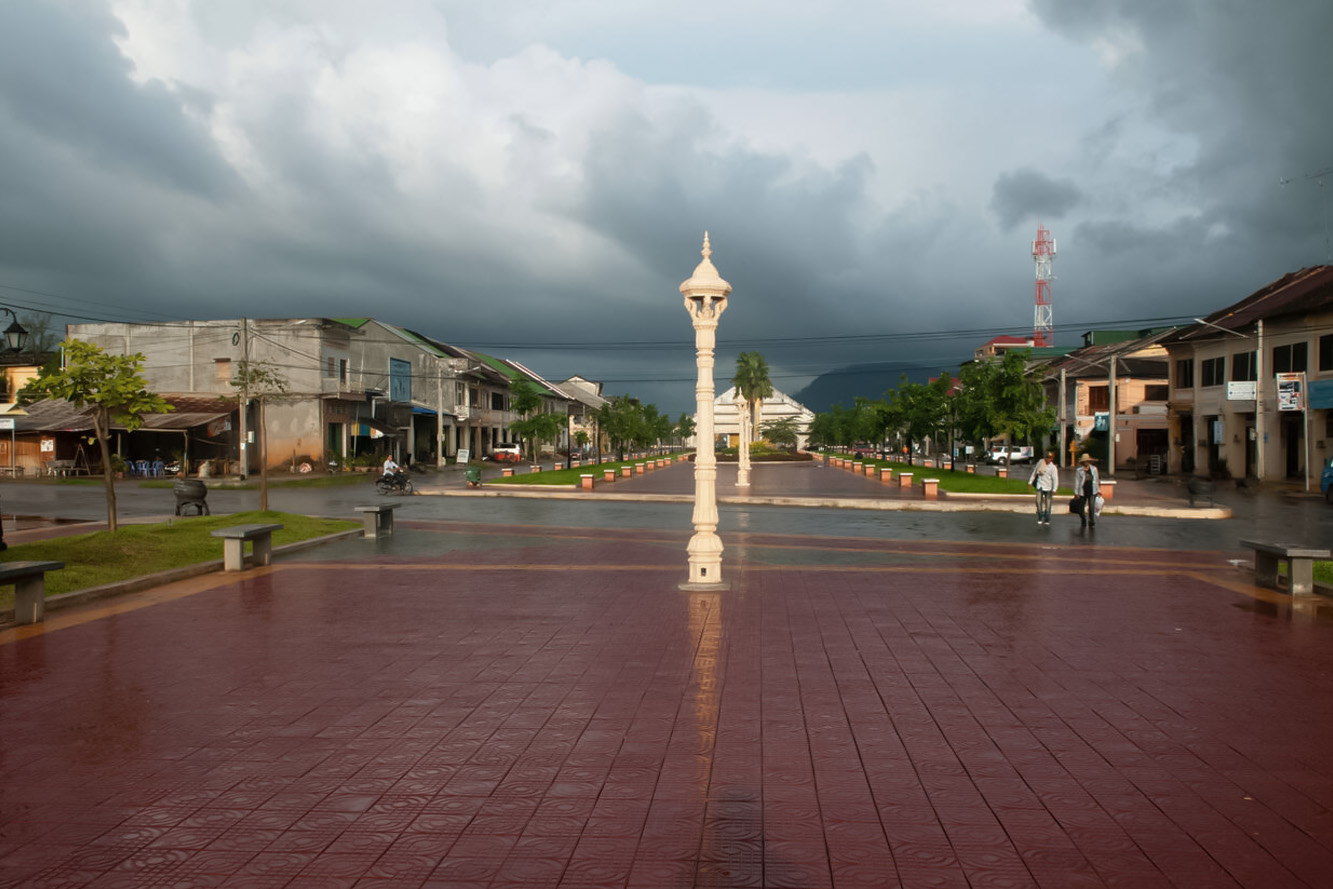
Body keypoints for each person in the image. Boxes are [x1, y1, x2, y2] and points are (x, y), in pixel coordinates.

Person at [1028, 451, 1059, 525]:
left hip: (1048, 487)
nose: (1047, 459)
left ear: (1052, 459)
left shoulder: (1053, 468)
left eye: (1049, 458)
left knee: (1048, 504)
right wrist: (1030, 482)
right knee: (1038, 502)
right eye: (1047, 458)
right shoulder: (1040, 463)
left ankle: (1047, 518)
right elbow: (1035, 472)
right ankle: (1040, 516)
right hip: (1040, 485)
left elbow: (1055, 479)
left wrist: (1054, 489)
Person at [1075, 453, 1100, 528]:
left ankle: (1091, 521)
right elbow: (1077, 481)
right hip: (1083, 490)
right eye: (1085, 461)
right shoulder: (1079, 470)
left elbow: (1096, 480)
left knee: (1091, 507)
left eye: (1087, 461)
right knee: (1081, 508)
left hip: (1092, 490)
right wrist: (1076, 492)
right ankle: (1083, 519)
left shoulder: (1094, 469)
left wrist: (1098, 490)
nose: (1086, 463)